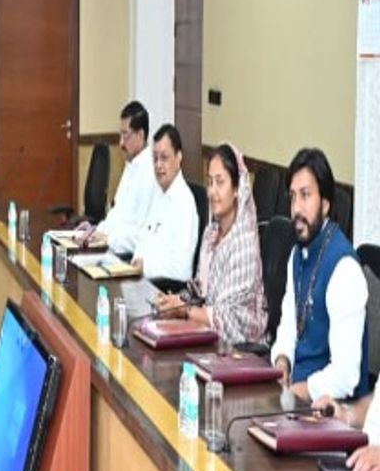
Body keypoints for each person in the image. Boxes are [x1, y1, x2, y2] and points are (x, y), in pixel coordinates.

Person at [271, 148, 369, 401]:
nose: (296, 209)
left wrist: (297, 392)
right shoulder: (297, 254)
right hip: (295, 397)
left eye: (305, 195)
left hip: (331, 409)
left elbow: (346, 377)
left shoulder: (344, 268)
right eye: (293, 197)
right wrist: (282, 362)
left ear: (325, 203)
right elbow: (288, 325)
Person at [156, 143, 267, 345]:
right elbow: (199, 291)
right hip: (207, 335)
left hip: (238, 347)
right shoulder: (211, 234)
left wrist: (185, 311)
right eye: (210, 182)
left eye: (220, 182)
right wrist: (175, 302)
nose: (212, 191)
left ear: (237, 189)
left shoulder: (244, 244)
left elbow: (229, 319)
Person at [82, 101, 156, 255]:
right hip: (112, 247)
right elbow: (117, 214)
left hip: (127, 256)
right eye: (120, 135)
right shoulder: (131, 165)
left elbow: (141, 236)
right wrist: (95, 231)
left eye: (125, 135)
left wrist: (107, 239)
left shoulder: (150, 174)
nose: (121, 143)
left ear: (140, 135)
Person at [131, 123, 198, 284]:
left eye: (164, 158)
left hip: (163, 289)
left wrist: (145, 266)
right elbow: (143, 239)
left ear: (179, 157)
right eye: (155, 158)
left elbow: (182, 269)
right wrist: (136, 261)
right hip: (141, 280)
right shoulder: (158, 194)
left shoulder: (184, 203)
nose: (158, 165)